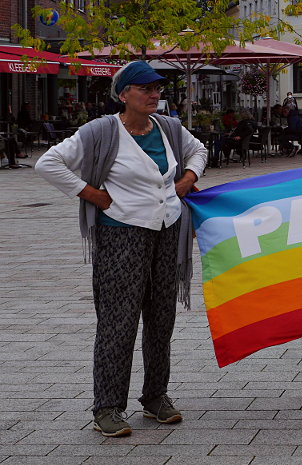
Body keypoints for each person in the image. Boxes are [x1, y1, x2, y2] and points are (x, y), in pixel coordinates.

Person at [35, 61, 207, 437]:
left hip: (167, 230)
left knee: (161, 318)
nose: (154, 94)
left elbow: (199, 151)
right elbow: (48, 163)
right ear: (124, 93)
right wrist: (91, 193)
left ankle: (156, 397)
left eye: (157, 88)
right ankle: (108, 407)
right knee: (118, 321)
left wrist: (188, 179)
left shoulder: (169, 128)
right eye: (145, 89)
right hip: (121, 235)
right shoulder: (101, 131)